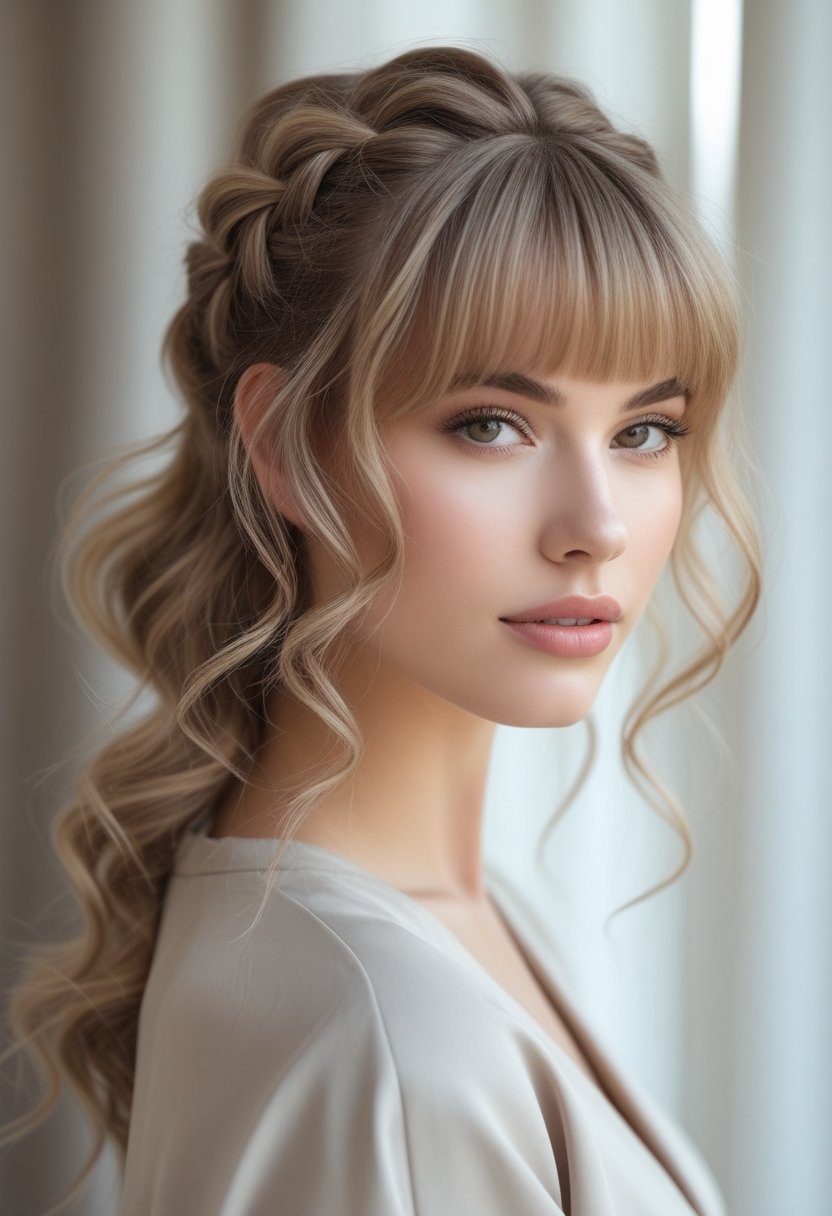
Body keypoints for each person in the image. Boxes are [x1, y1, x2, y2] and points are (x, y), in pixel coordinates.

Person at [2, 45, 761, 1216]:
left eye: (645, 431)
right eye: (493, 424)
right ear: (287, 444)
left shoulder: (404, 927)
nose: (596, 526)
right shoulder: (387, 1035)